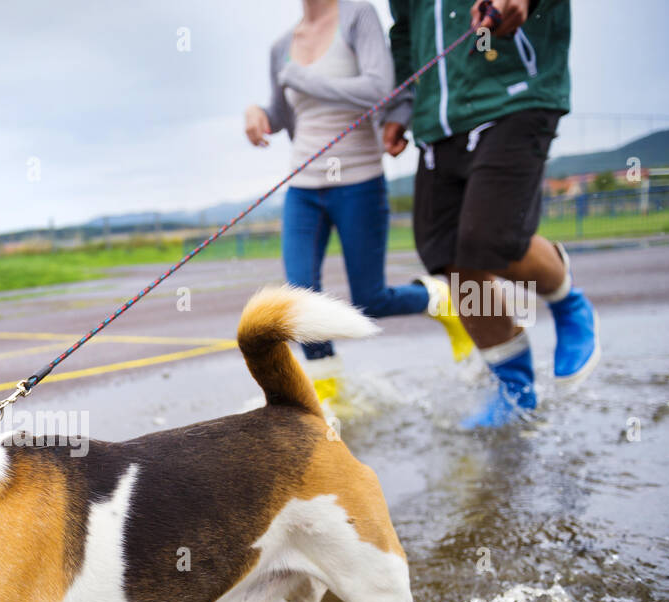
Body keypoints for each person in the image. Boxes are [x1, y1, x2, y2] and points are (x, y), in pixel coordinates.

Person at [245, 0, 473, 412]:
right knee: (301, 299)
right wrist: (258, 113)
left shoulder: (358, 16)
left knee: (372, 299)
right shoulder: (281, 47)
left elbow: (377, 89)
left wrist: (301, 77)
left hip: (358, 180)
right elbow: (280, 112)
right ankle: (328, 395)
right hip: (303, 187)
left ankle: (440, 299)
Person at [384, 0, 599, 428]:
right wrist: (400, 107)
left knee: (488, 240)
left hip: (513, 94)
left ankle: (566, 299)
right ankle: (515, 389)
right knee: (446, 255)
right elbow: (406, 29)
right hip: (438, 118)